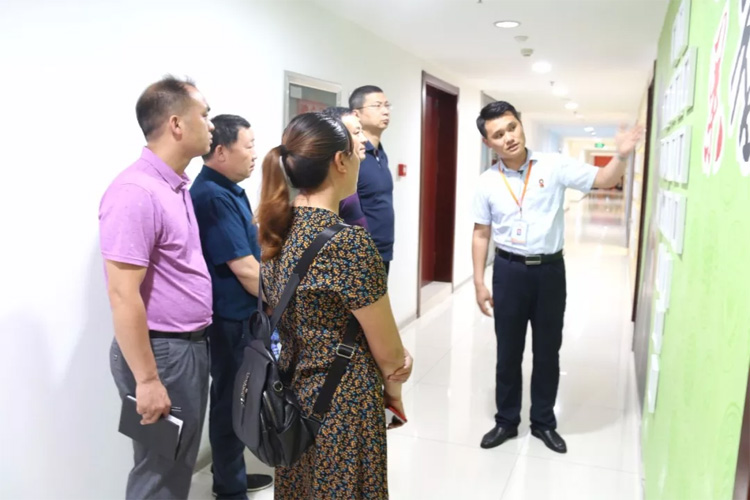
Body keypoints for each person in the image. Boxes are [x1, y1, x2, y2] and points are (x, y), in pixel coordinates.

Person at [255, 112, 412, 499]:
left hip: (291, 399)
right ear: (340, 161)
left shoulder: (278, 227)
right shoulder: (348, 243)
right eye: (355, 153)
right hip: (343, 404)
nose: (359, 159)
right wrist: (396, 381)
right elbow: (389, 352)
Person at [472, 101, 643, 454]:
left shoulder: (554, 165)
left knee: (548, 351)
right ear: (489, 143)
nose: (509, 138)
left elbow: (603, 179)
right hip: (508, 272)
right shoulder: (487, 182)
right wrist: (478, 281)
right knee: (508, 351)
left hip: (549, 272)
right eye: (498, 135)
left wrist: (621, 156)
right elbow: (481, 232)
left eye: (512, 127)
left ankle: (543, 422)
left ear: (521, 125)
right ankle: (506, 421)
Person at [99, 76, 215, 499]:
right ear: (176, 124)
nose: (212, 125)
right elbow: (122, 294)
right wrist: (147, 381)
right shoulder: (137, 191)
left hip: (184, 350)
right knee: (160, 473)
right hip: (162, 354)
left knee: (174, 466)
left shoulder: (174, 185)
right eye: (204, 115)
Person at [190, 114, 273, 498]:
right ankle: (229, 489)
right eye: (249, 145)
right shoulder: (212, 196)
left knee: (240, 400)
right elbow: (244, 269)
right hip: (230, 320)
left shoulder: (229, 189)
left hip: (243, 316)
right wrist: (282, 304)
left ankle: (230, 475)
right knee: (230, 403)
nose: (254, 154)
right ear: (221, 151)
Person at [347, 85, 395, 274]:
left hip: (383, 251)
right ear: (356, 114)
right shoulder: (354, 156)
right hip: (360, 255)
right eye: (377, 106)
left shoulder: (379, 153)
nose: (385, 111)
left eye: (387, 105)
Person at [322, 106, 369, 229]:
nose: (364, 139)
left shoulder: (346, 186)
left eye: (362, 132)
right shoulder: (332, 189)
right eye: (357, 133)